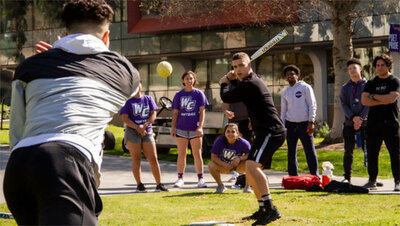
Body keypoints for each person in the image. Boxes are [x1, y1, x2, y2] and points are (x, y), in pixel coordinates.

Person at [3, 0, 140, 225]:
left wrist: (59, 55)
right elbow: (136, 90)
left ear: (65, 33)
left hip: (19, 168)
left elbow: (18, 126)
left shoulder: (30, 67)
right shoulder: (124, 70)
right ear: (106, 37)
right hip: (64, 163)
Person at [220, 52, 286, 225]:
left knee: (251, 165)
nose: (238, 69)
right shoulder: (248, 82)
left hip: (272, 131)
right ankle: (262, 208)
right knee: (250, 169)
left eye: (241, 65)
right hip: (263, 131)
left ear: (249, 64)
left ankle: (271, 209)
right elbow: (240, 90)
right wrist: (233, 80)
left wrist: (224, 82)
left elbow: (227, 96)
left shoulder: (252, 83)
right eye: (235, 67)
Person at [361, 54, 400, 192]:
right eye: (377, 65)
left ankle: (398, 181)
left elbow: (391, 99)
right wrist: (382, 98)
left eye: (383, 65)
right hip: (373, 123)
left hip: (390, 122)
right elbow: (364, 101)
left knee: (395, 153)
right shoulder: (371, 83)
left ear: (388, 65)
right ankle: (372, 180)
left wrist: (373, 96)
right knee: (372, 153)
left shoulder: (394, 80)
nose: (380, 67)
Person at [120, 82, 168, 192]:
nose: (137, 87)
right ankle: (139, 185)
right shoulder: (128, 101)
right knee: (136, 158)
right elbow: (125, 118)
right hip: (132, 132)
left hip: (147, 132)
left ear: (142, 86)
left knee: (153, 158)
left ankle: (159, 184)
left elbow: (153, 114)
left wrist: (145, 125)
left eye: (139, 84)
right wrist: (137, 127)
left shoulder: (148, 99)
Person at [171, 71, 209, 188]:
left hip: (195, 129)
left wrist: (200, 127)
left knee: (197, 154)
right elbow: (175, 113)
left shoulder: (199, 94)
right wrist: (173, 127)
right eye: (187, 78)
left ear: (194, 80)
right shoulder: (178, 95)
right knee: (181, 154)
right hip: (181, 128)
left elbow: (202, 112)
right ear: (183, 80)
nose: (189, 80)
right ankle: (180, 178)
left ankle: (201, 179)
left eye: (191, 78)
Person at [280, 65, 319, 177]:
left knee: (310, 151)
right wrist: (282, 127)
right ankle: (292, 177)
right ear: (286, 78)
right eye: (288, 75)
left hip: (305, 124)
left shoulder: (305, 87)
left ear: (297, 75)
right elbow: (283, 111)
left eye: (292, 74)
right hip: (290, 125)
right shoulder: (285, 92)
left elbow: (312, 105)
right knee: (291, 152)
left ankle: (315, 176)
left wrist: (311, 121)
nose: (290, 76)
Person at [340, 58, 369, 183]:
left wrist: (360, 118)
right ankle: (347, 177)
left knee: (368, 150)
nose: (352, 70)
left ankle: (372, 177)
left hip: (366, 122)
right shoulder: (345, 87)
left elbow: (368, 103)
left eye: (354, 68)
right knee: (348, 150)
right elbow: (343, 104)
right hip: (349, 123)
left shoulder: (368, 85)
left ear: (360, 69)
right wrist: (353, 118)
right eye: (350, 69)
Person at [208, 123, 251, 193]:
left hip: (239, 166)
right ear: (224, 133)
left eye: (233, 132)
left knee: (250, 164)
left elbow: (250, 155)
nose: (230, 134)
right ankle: (220, 186)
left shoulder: (244, 143)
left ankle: (247, 187)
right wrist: (224, 164)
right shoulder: (219, 141)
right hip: (224, 166)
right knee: (211, 165)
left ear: (237, 133)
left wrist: (240, 158)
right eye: (228, 131)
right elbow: (213, 157)